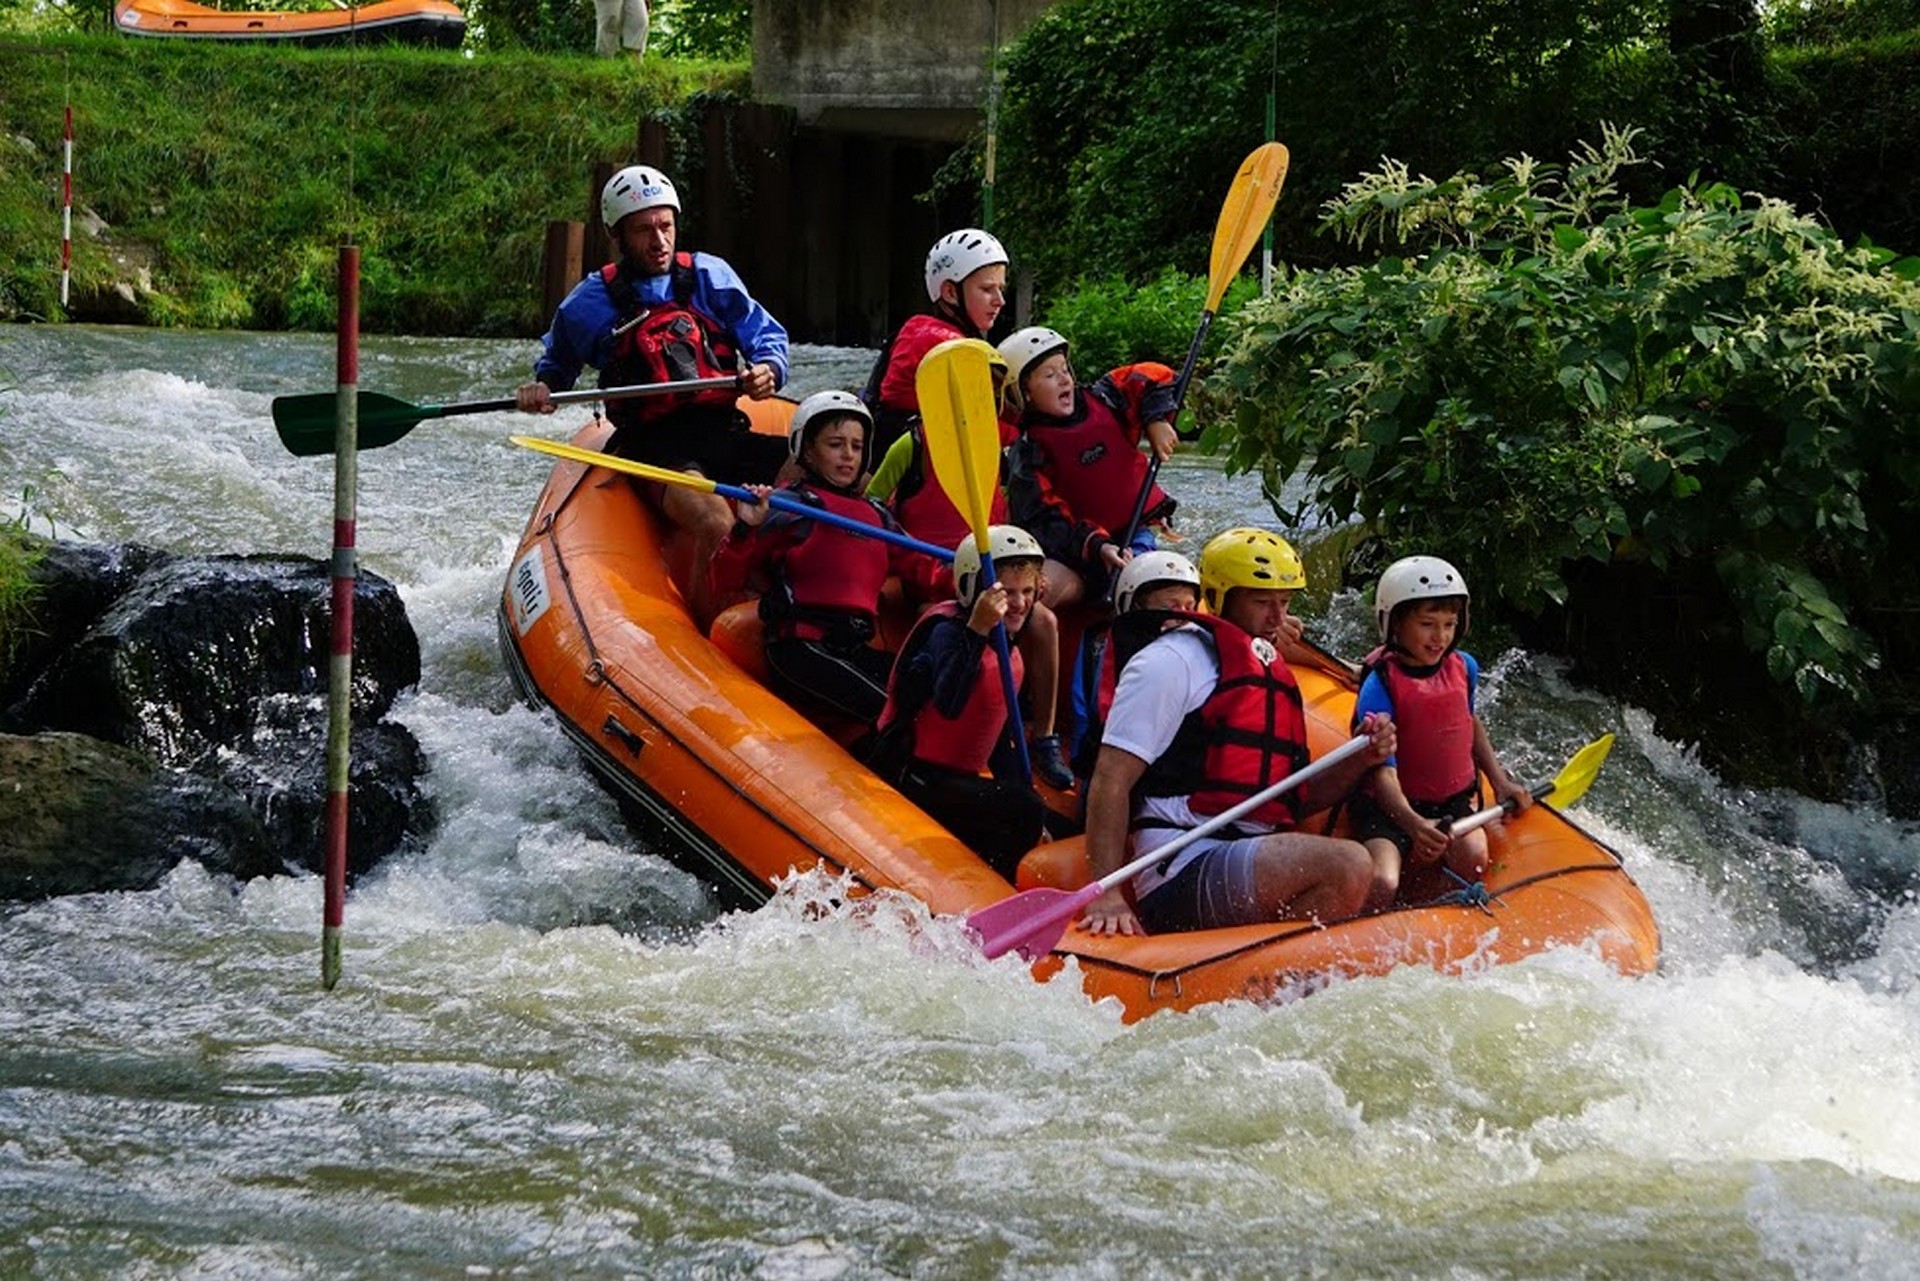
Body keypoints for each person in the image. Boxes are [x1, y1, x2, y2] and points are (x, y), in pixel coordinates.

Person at [1078, 528, 1396, 936]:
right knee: (1348, 863)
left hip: (1246, 855)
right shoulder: (1170, 660)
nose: (1278, 617)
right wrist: (1105, 892)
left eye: (1284, 602)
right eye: (1262, 602)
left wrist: (1362, 758)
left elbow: (1295, 800)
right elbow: (1111, 778)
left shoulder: (1270, 672)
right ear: (1220, 597)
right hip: (1178, 864)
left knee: (1360, 871)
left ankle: (1267, 965)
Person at [516, 164, 789, 624]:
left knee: (817, 478)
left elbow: (765, 336)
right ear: (618, 236)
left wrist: (769, 369)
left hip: (725, 430)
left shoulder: (708, 275)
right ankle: (714, 636)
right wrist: (542, 388)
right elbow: (557, 368)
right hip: (655, 448)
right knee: (715, 521)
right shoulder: (590, 302)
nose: (659, 241)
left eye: (665, 226)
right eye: (644, 230)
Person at [865, 340, 1073, 789]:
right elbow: (871, 508)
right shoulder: (911, 445)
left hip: (991, 574)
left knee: (1043, 621)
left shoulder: (1001, 450)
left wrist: (1026, 575)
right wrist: (921, 562)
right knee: (939, 623)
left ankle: (1045, 737)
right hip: (932, 577)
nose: (982, 404)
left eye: (990, 394)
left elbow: (1011, 519)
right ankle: (933, 740)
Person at [707, 391, 949, 724]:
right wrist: (745, 528)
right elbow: (723, 579)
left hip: (854, 647)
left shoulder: (877, 516)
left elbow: (925, 569)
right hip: (801, 647)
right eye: (835, 444)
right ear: (807, 449)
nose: (848, 455)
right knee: (895, 716)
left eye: (857, 446)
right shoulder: (787, 505)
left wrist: (972, 577)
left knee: (932, 698)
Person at [1349, 555, 1531, 910]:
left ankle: (1439, 909)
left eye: (1449, 624)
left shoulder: (1465, 667)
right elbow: (1382, 771)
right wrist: (1414, 825)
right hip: (1388, 810)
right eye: (1427, 624)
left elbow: (1468, 724)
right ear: (1395, 623)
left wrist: (1500, 781)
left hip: (1451, 804)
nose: (1440, 636)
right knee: (1383, 881)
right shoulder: (1379, 685)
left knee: (1474, 857)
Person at [869, 525, 1051, 879]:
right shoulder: (946, 632)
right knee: (1024, 809)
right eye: (1006, 593)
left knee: (1037, 809)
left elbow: (999, 739)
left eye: (1028, 591)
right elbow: (949, 704)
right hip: (914, 773)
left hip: (954, 778)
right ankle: (994, 884)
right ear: (974, 591)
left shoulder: (1007, 646)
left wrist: (1026, 793)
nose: (1019, 603)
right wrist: (977, 630)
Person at [999, 325, 1180, 608]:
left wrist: (1155, 419)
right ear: (1025, 393)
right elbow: (1045, 521)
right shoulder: (1028, 452)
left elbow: (1154, 375)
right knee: (1038, 595)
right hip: (1077, 554)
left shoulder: (1107, 398)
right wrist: (1097, 545)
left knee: (1139, 580)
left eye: (1065, 370)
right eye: (1050, 375)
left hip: (1133, 533)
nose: (1064, 379)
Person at [860, 228, 1009, 457]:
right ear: (950, 292)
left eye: (1001, 289)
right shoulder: (934, 340)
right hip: (909, 461)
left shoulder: (920, 329)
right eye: (987, 289)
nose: (1000, 301)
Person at [1068, 549, 1202, 781]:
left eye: (1189, 608)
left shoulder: (1199, 648)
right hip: (1114, 760)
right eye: (1169, 608)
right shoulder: (1099, 646)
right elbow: (1087, 713)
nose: (1183, 617)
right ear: (1133, 604)